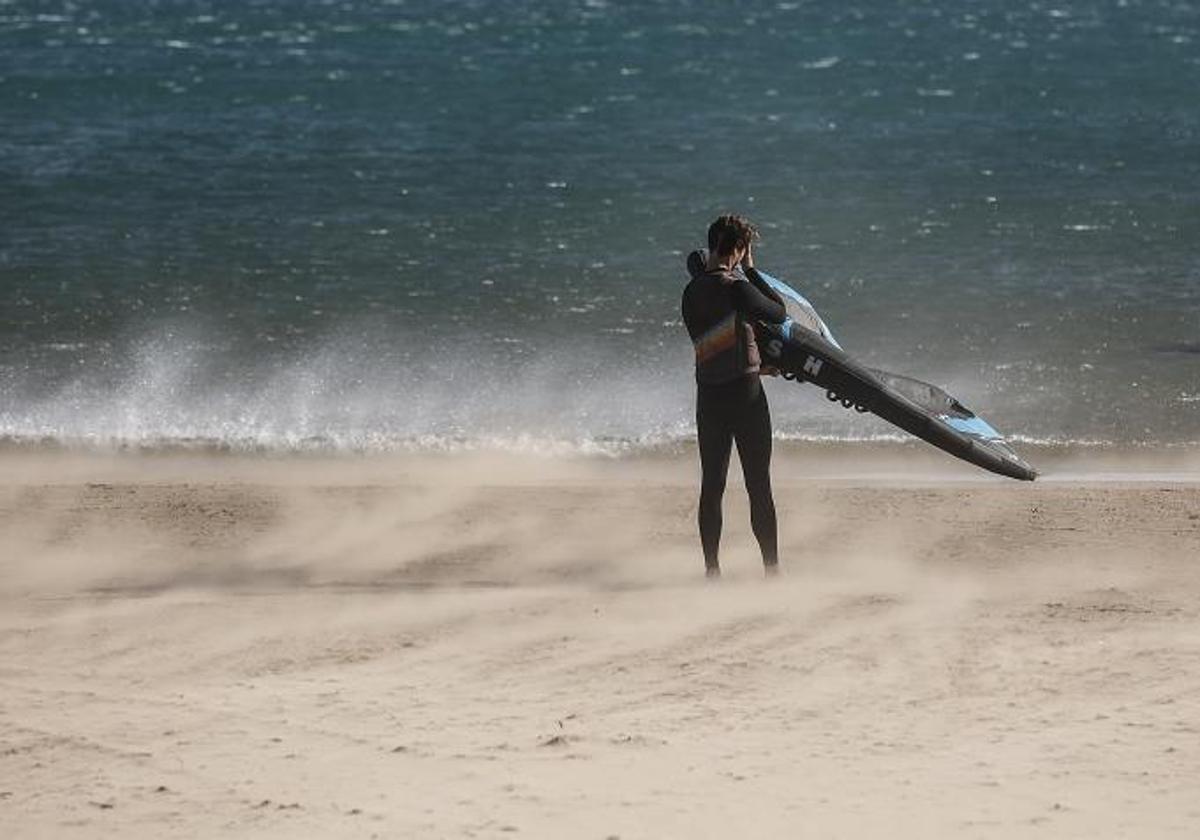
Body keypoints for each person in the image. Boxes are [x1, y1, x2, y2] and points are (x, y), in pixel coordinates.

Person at [681, 214, 788, 578]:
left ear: (712, 245)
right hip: (746, 398)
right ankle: (771, 572)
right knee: (758, 485)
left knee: (712, 486)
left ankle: (712, 572)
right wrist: (753, 272)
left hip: (709, 397)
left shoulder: (691, 292)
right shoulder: (738, 288)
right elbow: (778, 311)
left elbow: (716, 340)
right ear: (739, 251)